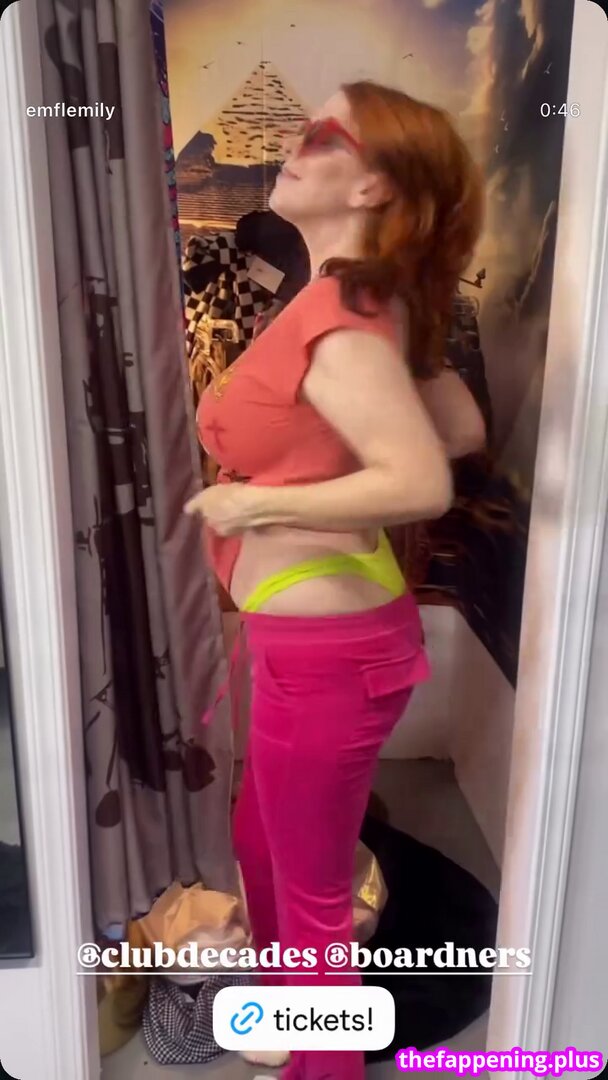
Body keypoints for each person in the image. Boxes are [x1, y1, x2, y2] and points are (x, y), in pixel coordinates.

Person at [186, 81, 485, 1080]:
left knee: (311, 900)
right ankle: (285, 1018)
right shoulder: (359, 299)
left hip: (331, 657)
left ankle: (324, 1062)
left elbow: (422, 476)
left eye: (320, 134)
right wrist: (322, 463)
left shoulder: (345, 309)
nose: (292, 143)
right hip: (313, 641)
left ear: (372, 185)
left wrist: (252, 506)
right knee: (258, 842)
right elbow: (460, 428)